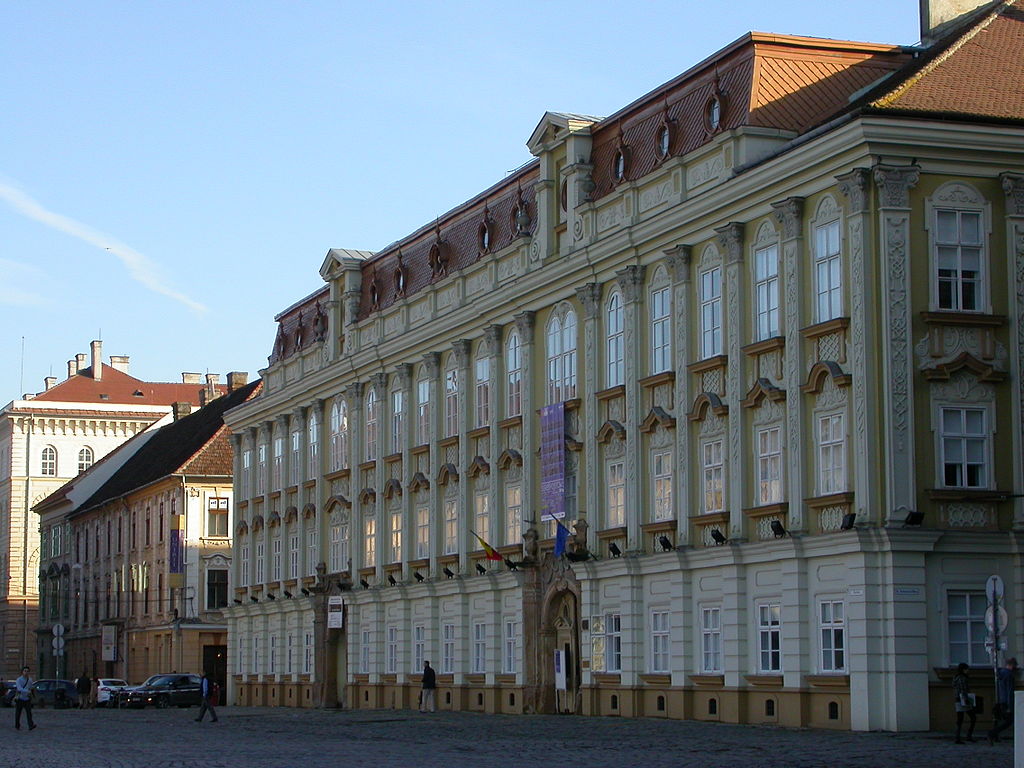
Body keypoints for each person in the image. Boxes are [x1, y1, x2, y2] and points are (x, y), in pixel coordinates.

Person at [989, 657, 1018, 744]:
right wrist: (1010, 706)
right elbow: (1009, 691)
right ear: (1012, 665)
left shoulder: (1000, 674)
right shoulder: (1009, 675)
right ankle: (992, 733)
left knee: (999, 718)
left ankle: (994, 735)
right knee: (1009, 721)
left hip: (1000, 699)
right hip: (1006, 701)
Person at [953, 662, 976, 743]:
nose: (968, 671)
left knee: (960, 719)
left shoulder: (956, 677)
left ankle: (957, 737)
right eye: (967, 669)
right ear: (963, 669)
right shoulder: (962, 678)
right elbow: (963, 689)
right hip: (963, 700)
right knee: (973, 717)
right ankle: (967, 736)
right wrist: (966, 699)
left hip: (957, 700)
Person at [14, 666, 36, 731]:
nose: (26, 672)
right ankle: (17, 725)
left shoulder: (30, 679)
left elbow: (31, 687)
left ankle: (30, 725)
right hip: (20, 698)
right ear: (22, 672)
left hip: (27, 698)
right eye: (25, 671)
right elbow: (19, 688)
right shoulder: (19, 680)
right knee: (18, 713)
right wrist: (27, 691)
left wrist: (32, 691)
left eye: (27, 671)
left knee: (29, 713)